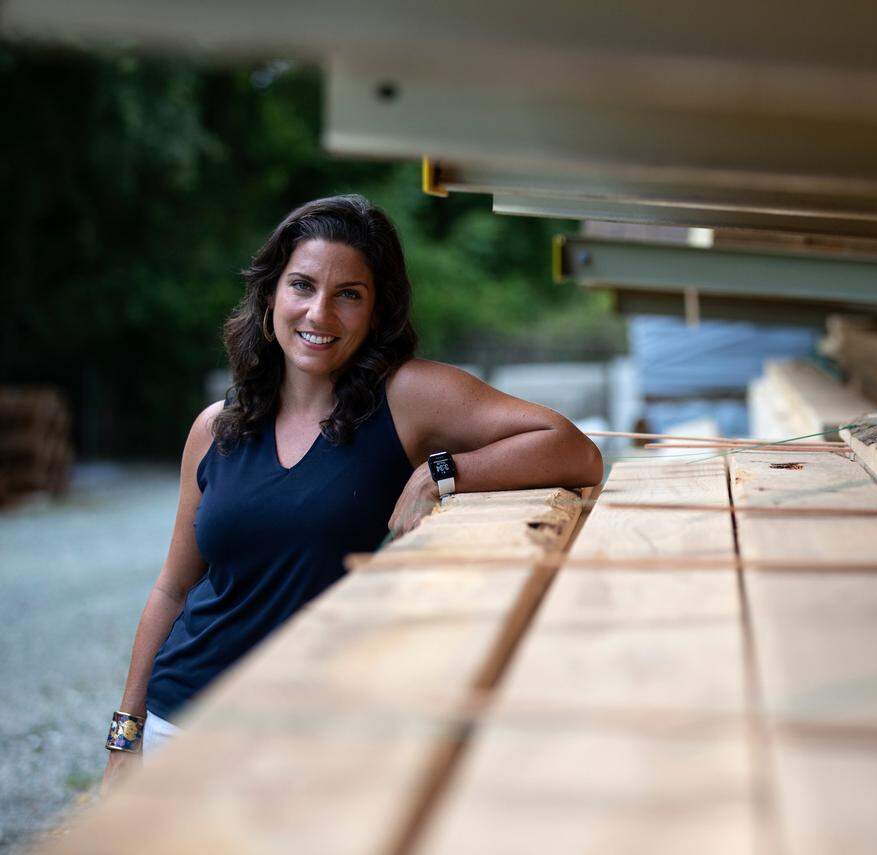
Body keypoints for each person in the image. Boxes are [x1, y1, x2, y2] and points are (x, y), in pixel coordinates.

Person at [101, 194, 603, 793]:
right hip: (179, 723)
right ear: (270, 296)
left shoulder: (406, 397)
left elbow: (572, 448)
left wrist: (442, 472)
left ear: (374, 311)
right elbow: (173, 587)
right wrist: (125, 734)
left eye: (349, 294)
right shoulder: (215, 428)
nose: (320, 313)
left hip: (312, 730)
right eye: (303, 285)